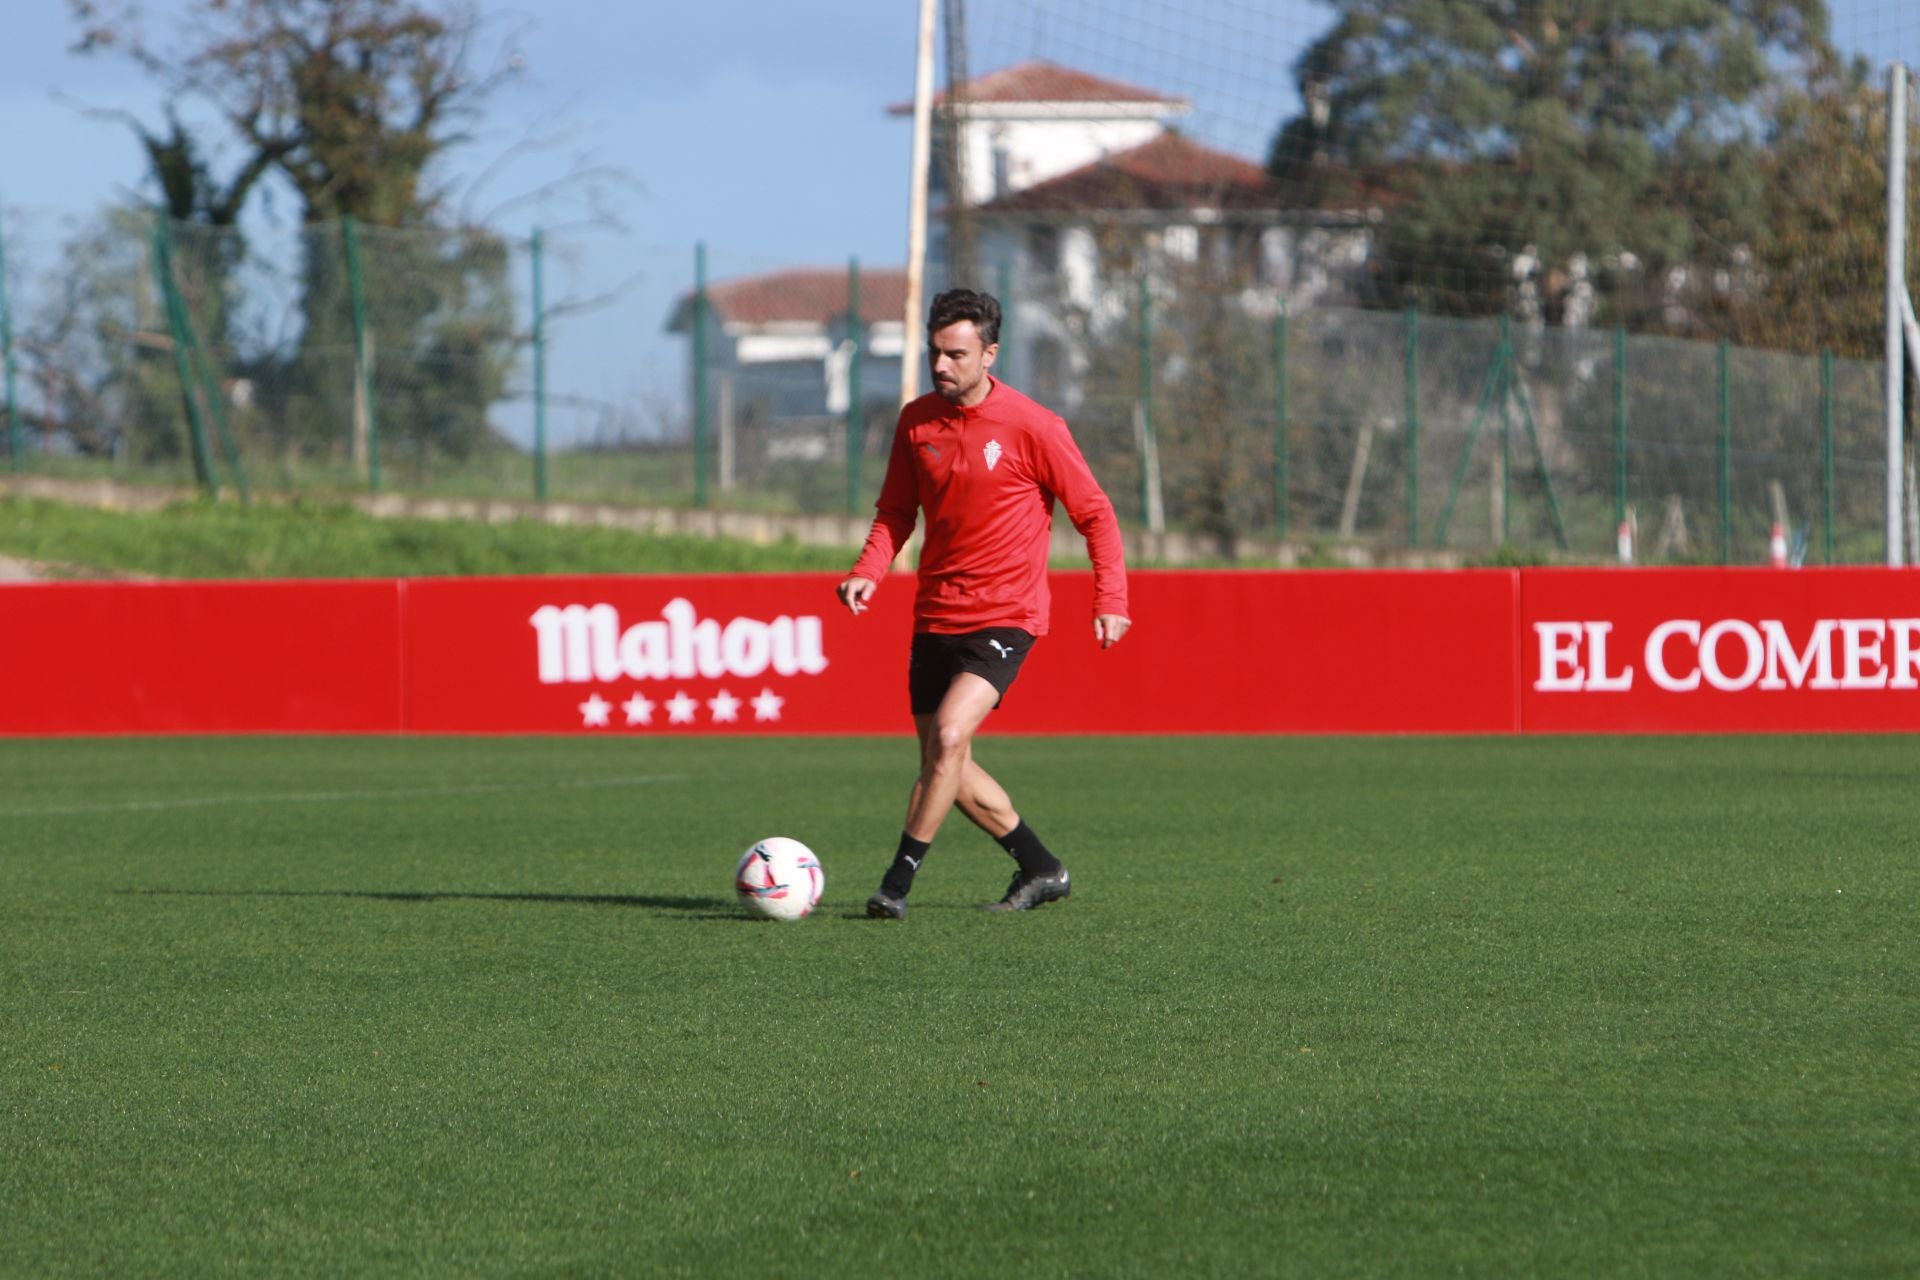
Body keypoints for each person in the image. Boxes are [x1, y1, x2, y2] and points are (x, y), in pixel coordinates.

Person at [836, 288, 1130, 920]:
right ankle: (1041, 867)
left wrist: (1111, 598)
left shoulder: (1035, 426)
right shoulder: (916, 422)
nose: (941, 366)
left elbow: (1096, 515)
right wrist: (869, 570)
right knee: (949, 761)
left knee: (948, 735)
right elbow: (895, 511)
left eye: (956, 354)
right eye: (934, 353)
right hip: (933, 614)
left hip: (1005, 614)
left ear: (989, 354)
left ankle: (896, 882)